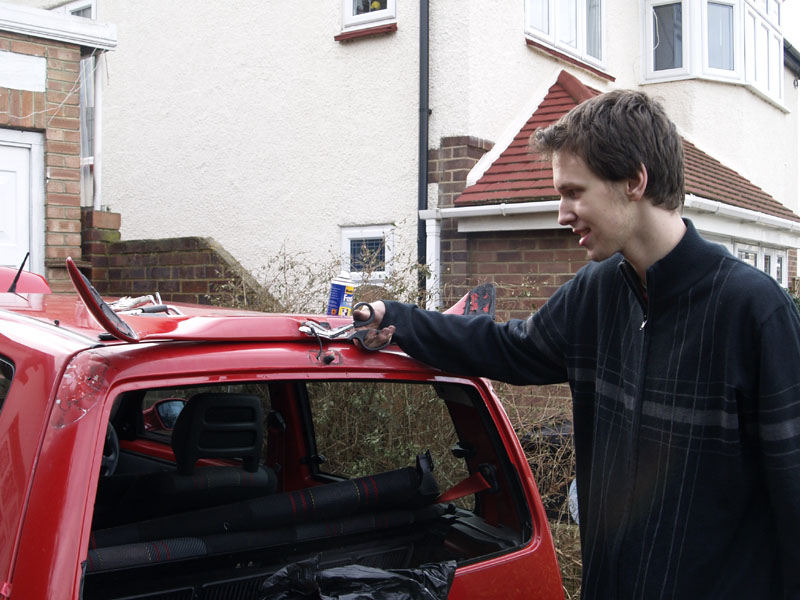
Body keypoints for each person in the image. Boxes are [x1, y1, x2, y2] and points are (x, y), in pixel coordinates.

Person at [355, 90, 800, 599]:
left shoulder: (752, 310)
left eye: (574, 192)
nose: (562, 213)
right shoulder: (600, 292)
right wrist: (401, 320)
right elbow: (510, 347)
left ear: (634, 180)